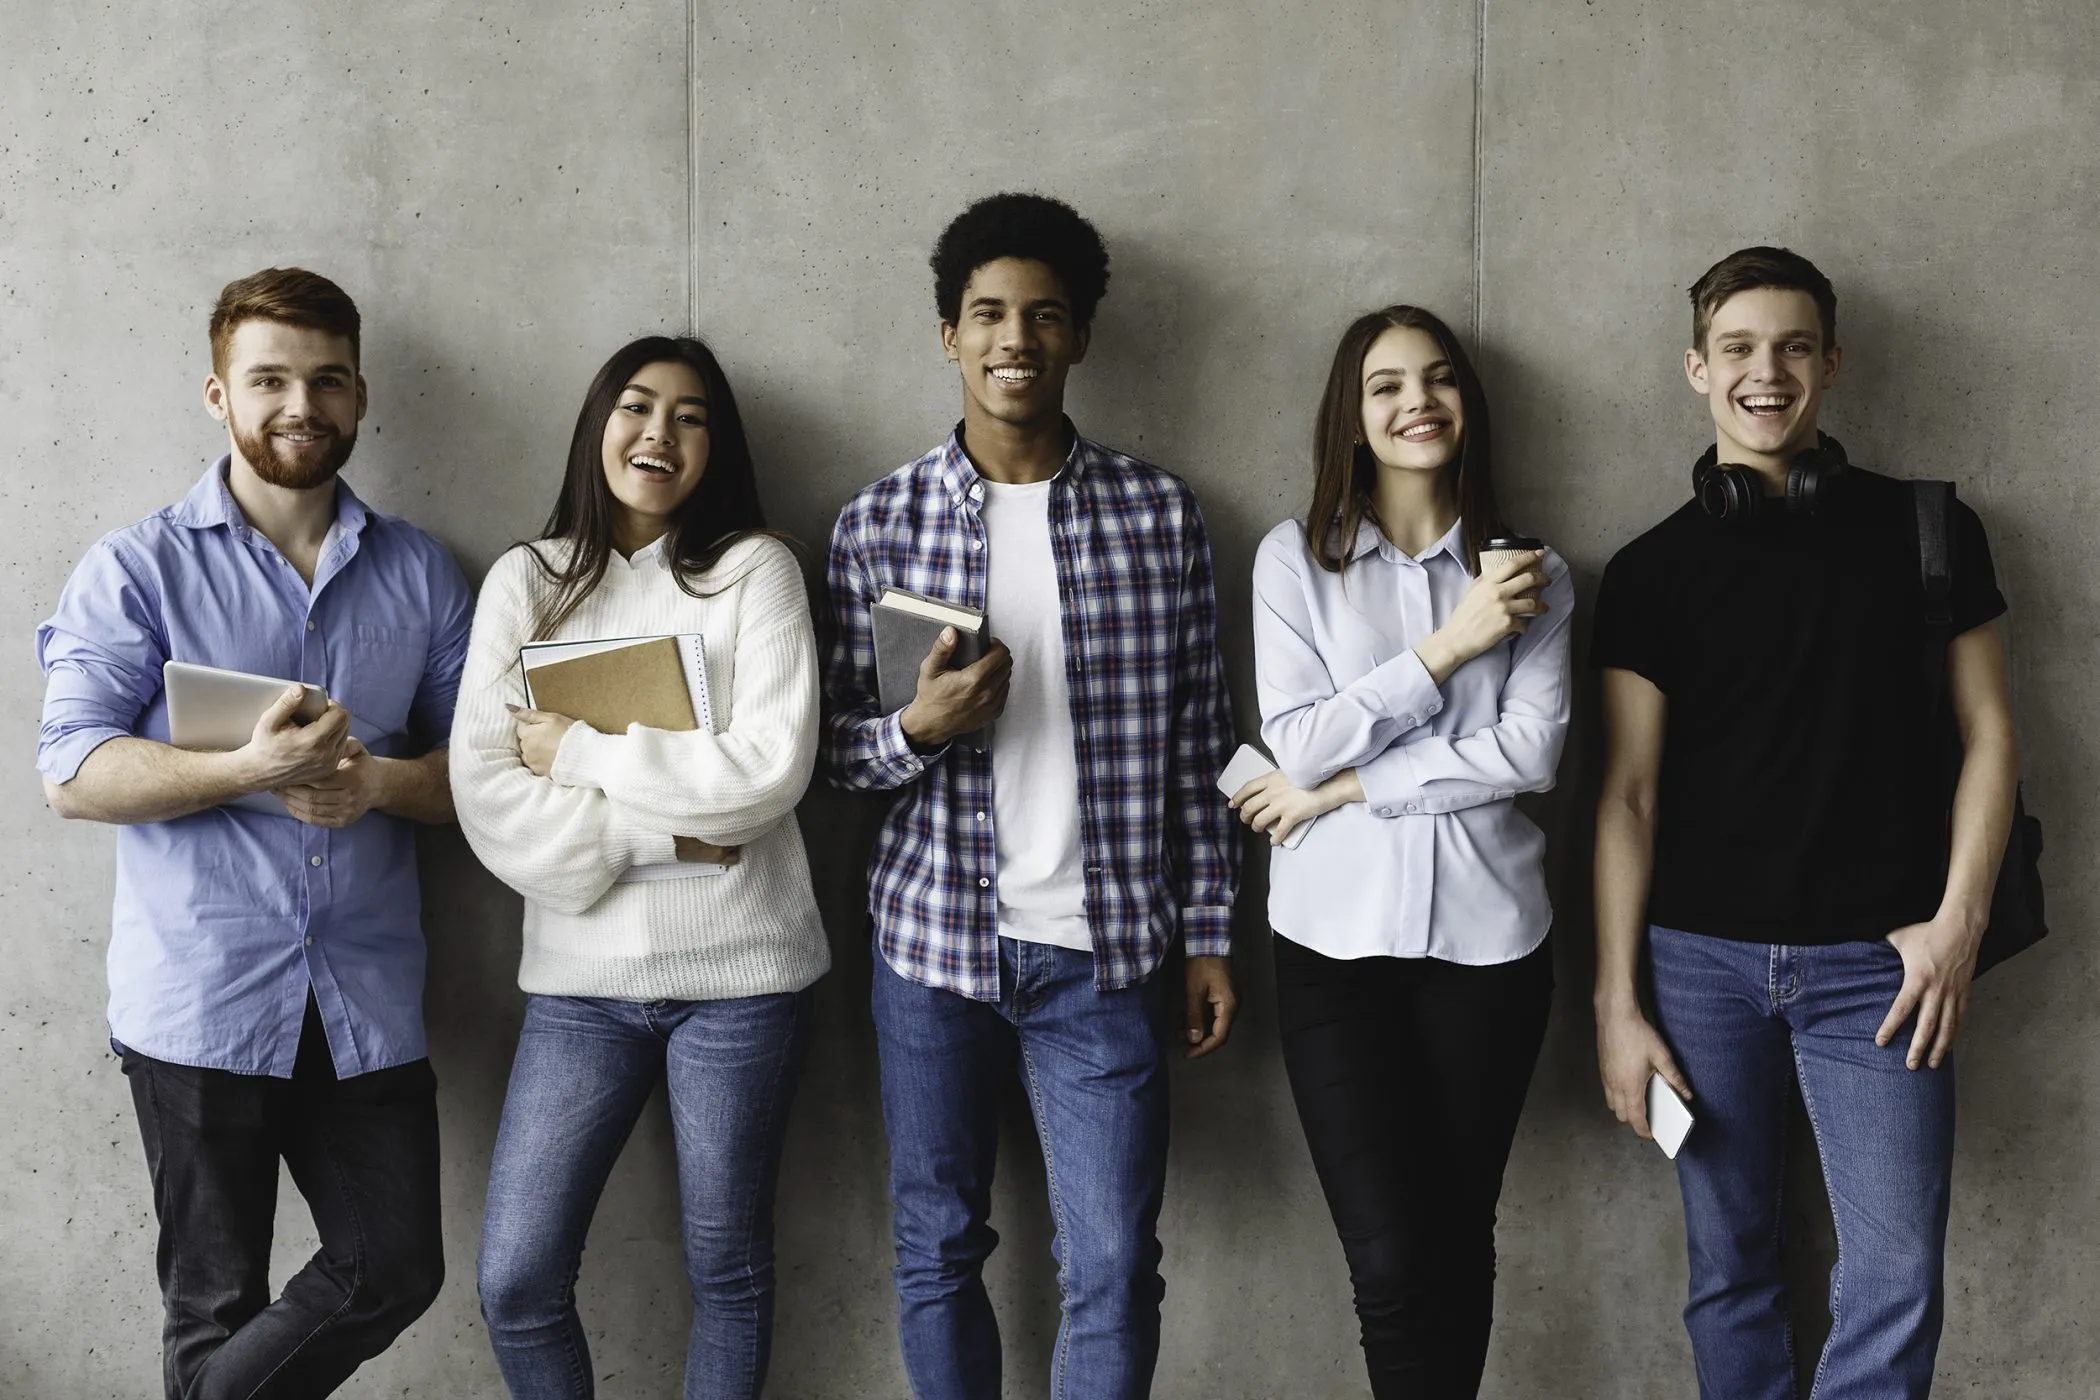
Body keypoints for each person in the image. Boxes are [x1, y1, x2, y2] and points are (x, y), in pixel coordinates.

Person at [820, 192, 1240, 1400]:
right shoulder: (877, 523)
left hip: (1106, 953)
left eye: (1045, 315)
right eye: (989, 314)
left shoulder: (1159, 515)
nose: (1017, 338)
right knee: (938, 1243)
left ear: (1081, 336)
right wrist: (916, 729)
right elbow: (832, 758)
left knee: (1112, 1261)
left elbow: (1200, 744)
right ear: (947, 335)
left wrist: (1209, 934)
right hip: (930, 949)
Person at [1590, 247, 2019, 1399]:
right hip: (1697, 973)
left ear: (1830, 364)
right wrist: (1616, 1000)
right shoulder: (1649, 572)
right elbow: (1627, 796)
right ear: (1696, 367)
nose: (1763, 372)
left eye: (1790, 347)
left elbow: (1991, 737)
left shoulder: (1932, 530)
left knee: (1893, 1271)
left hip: (1882, 974)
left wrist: (1957, 923)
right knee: (1730, 1268)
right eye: (1737, 348)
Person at [35, 267, 468, 1399]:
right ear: (219, 394)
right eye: (268, 377)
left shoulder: (422, 572)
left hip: (364, 1002)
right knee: (211, 1305)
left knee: (395, 1265)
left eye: (325, 378)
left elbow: (482, 775)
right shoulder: (135, 567)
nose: (300, 403)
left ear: (361, 394)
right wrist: (249, 767)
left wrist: (376, 783)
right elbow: (71, 770)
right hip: (199, 994)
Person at [451, 334, 827, 1400]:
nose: (659, 433)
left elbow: (766, 770)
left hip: (745, 980)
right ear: (597, 425)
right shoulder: (526, 581)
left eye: (691, 415)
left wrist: (577, 752)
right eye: (636, 406)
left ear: (717, 444)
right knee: (518, 1277)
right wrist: (659, 834)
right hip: (581, 985)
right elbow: (488, 795)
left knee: (729, 1269)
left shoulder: (758, 570)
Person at [1229, 305, 1570, 1398]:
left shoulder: (1539, 572)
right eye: (1386, 385)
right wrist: (1453, 644)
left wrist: (1344, 788)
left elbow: (1532, 753)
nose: (1416, 401)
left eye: (1439, 379)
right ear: (1354, 414)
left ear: (1469, 404)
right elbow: (1296, 735)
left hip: (1493, 946)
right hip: (1333, 947)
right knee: (1386, 1257)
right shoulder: (1294, 559)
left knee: (1458, 1233)